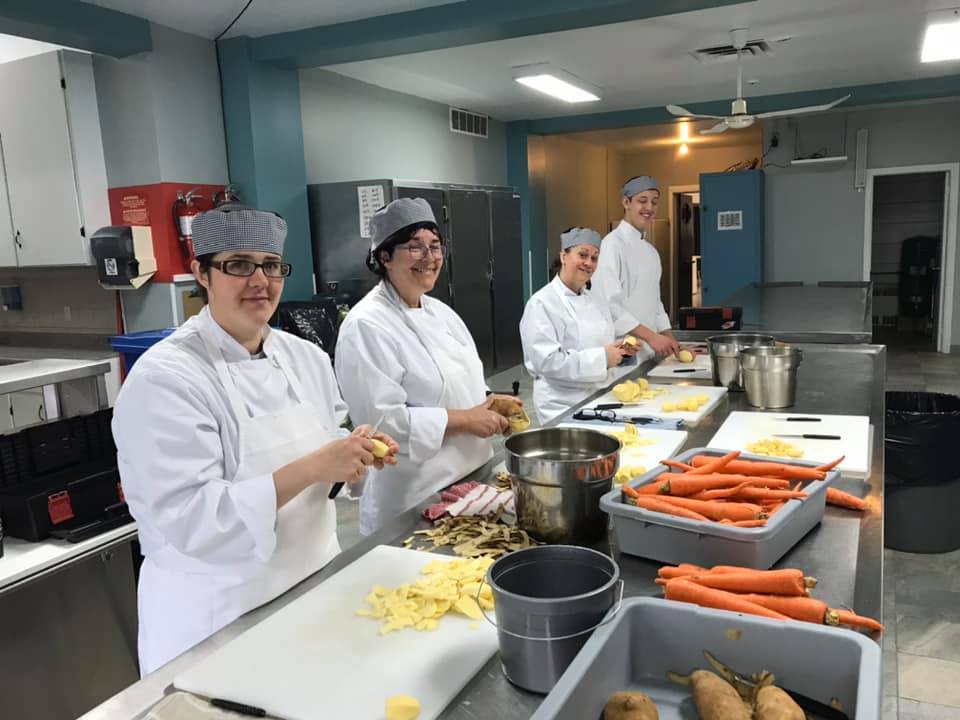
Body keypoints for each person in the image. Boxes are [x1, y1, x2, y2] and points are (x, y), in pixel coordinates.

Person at [112, 205, 399, 675]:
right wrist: (315, 466)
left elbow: (329, 449)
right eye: (239, 265)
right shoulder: (166, 378)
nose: (260, 281)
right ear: (201, 273)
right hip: (217, 615)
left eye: (271, 265)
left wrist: (354, 455)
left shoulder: (305, 357)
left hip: (311, 583)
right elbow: (193, 520)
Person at [335, 198, 517, 535]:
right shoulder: (366, 325)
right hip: (415, 496)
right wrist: (468, 420)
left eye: (435, 246)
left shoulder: (441, 313)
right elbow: (382, 423)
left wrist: (492, 403)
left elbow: (467, 380)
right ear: (384, 256)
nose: (430, 257)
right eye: (415, 247)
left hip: (470, 479)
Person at [520, 227, 640, 424]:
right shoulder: (542, 303)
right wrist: (603, 358)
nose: (589, 263)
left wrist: (621, 351)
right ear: (563, 256)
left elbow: (597, 345)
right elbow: (548, 362)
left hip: (600, 398)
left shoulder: (596, 300)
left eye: (594, 258)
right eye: (582, 255)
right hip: (563, 404)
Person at [591, 175, 680, 360]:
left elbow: (656, 303)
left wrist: (670, 340)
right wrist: (651, 337)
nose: (649, 207)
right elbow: (608, 304)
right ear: (626, 203)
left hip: (650, 349)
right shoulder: (611, 245)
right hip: (622, 348)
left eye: (654, 202)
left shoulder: (651, 252)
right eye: (642, 200)